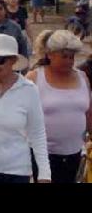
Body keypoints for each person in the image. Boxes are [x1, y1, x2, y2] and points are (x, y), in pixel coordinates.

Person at [0, 33, 51, 183]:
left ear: (13, 60)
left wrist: (44, 174)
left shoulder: (28, 89)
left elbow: (37, 133)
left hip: (16, 172)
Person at [25, 30, 92, 183]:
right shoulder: (34, 77)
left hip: (75, 154)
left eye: (72, 57)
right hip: (43, 155)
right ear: (49, 54)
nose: (69, 61)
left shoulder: (82, 77)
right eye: (64, 56)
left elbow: (89, 113)